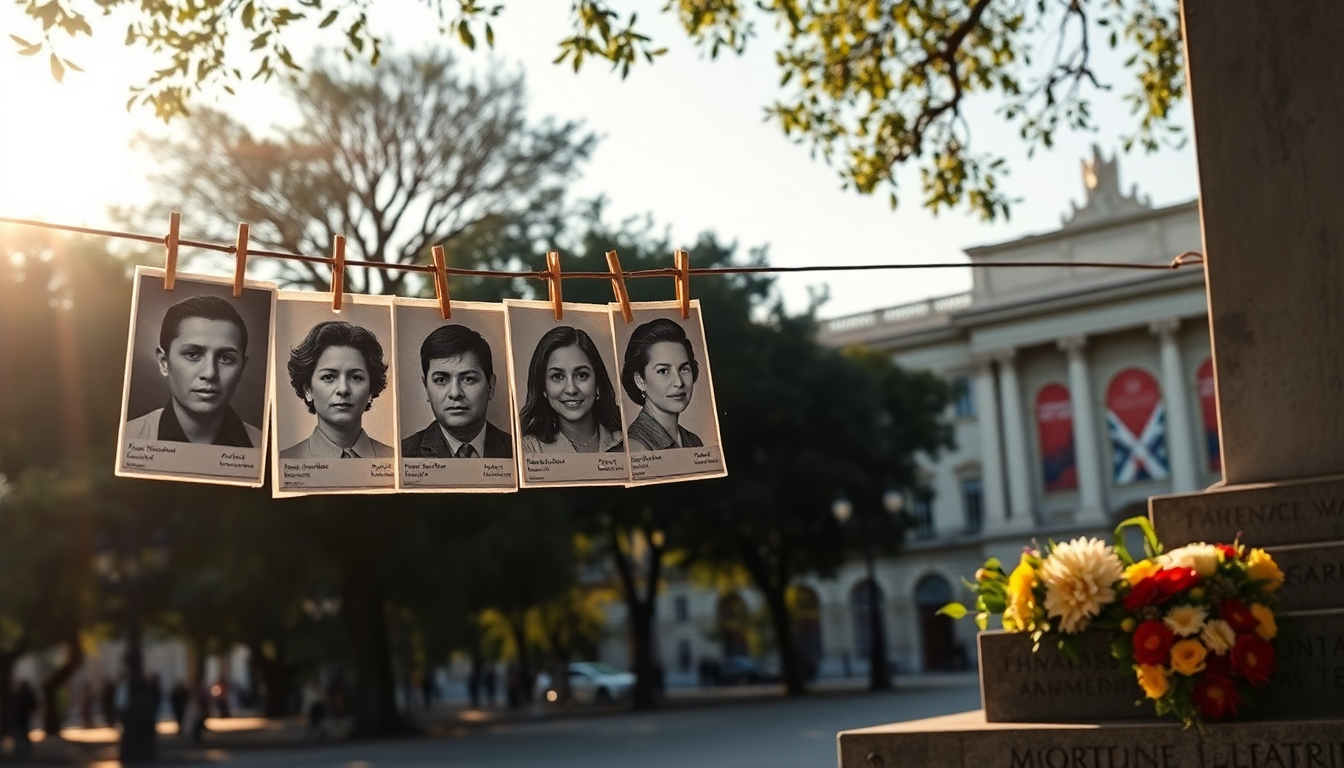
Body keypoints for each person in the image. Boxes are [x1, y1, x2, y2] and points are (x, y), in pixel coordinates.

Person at [125, 294, 261, 446]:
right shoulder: (127, 440)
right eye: (192, 355)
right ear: (164, 363)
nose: (209, 373)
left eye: (225, 358)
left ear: (242, 368)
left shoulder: (265, 449)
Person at [280, 320, 393, 459]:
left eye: (356, 377)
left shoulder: (395, 460)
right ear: (308, 389)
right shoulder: (284, 462)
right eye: (328, 377)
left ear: (371, 390)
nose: (343, 389)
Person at [400, 324, 512, 459]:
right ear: (426, 388)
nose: (455, 393)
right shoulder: (403, 454)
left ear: (491, 386)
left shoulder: (517, 450)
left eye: (468, 379)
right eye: (441, 380)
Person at [518, 326, 623, 454]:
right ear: (543, 388)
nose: (571, 389)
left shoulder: (627, 440)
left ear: (597, 383)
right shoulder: (530, 448)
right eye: (557, 377)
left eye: (581, 375)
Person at [620, 318, 704, 451]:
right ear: (640, 380)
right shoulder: (636, 447)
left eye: (684, 369)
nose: (679, 382)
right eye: (663, 371)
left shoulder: (694, 441)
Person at [10, 679, 38, 754]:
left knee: (21, 732)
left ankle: (22, 748)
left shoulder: (20, 694)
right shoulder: (26, 694)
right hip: (23, 716)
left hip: (21, 716)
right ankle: (25, 747)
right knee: (23, 732)